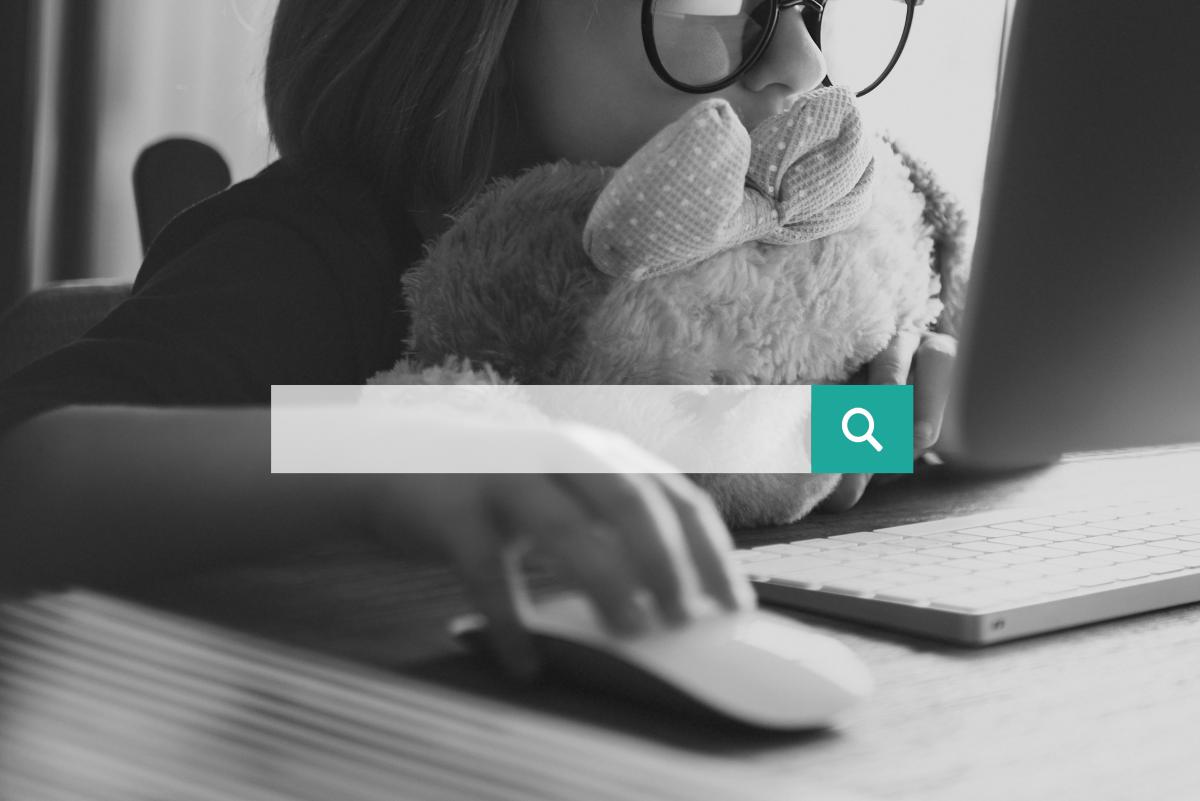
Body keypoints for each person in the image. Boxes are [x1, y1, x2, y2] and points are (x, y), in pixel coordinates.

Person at [0, 0, 956, 676]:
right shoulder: (315, 249)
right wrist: (378, 449)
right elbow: (24, 471)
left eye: (809, 7)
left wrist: (889, 425)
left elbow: (719, 446)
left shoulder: (748, 276)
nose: (803, 63)